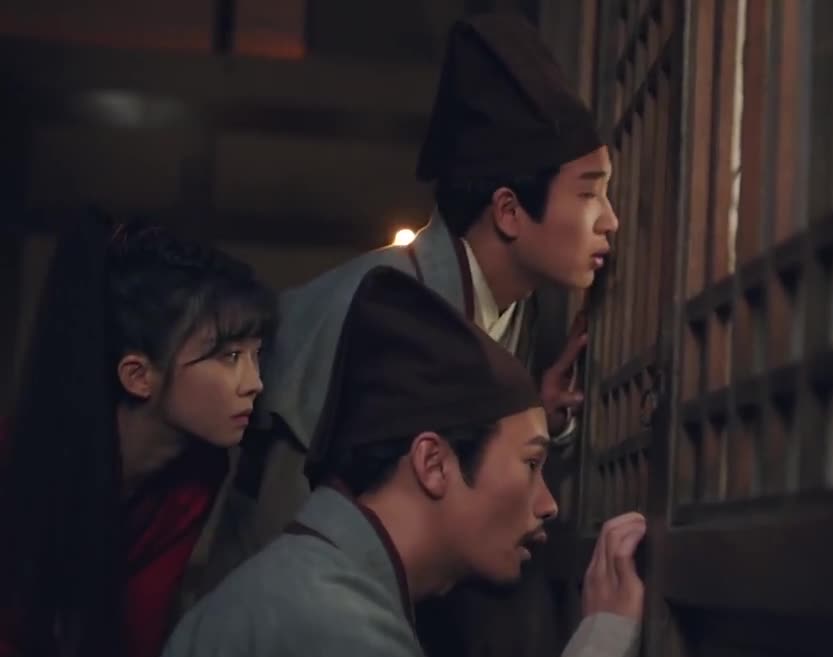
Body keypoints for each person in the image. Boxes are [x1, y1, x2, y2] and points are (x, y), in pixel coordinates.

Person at [134, 267, 646, 657]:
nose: (548, 504)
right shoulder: (332, 621)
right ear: (433, 463)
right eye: (531, 464)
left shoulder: (310, 583)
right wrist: (603, 644)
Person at [208, 11, 618, 572]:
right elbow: (283, 531)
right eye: (590, 195)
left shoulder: (520, 314)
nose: (610, 221)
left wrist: (533, 418)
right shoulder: (364, 305)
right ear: (508, 211)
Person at [0, 213, 276, 657]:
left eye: (256, 355)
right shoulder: (18, 458)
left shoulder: (198, 473)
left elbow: (134, 642)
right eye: (229, 356)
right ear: (138, 375)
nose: (254, 382)